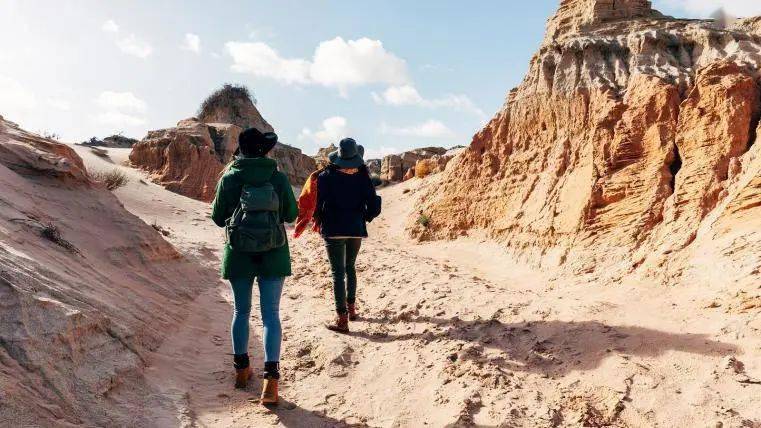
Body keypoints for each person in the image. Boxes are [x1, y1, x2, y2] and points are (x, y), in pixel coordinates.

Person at [211, 128, 297, 404]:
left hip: (239, 253)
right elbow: (291, 214)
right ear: (265, 151)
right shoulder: (278, 177)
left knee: (241, 310)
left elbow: (217, 217)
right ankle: (270, 382)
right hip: (274, 252)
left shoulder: (231, 176)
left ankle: (241, 369)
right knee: (271, 313)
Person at [315, 138, 381, 333]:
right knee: (350, 267)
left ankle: (342, 319)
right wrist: (364, 218)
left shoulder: (326, 176)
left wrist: (318, 220)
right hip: (355, 229)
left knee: (337, 274)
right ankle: (351, 310)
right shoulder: (363, 177)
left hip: (333, 229)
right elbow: (375, 205)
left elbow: (317, 204)